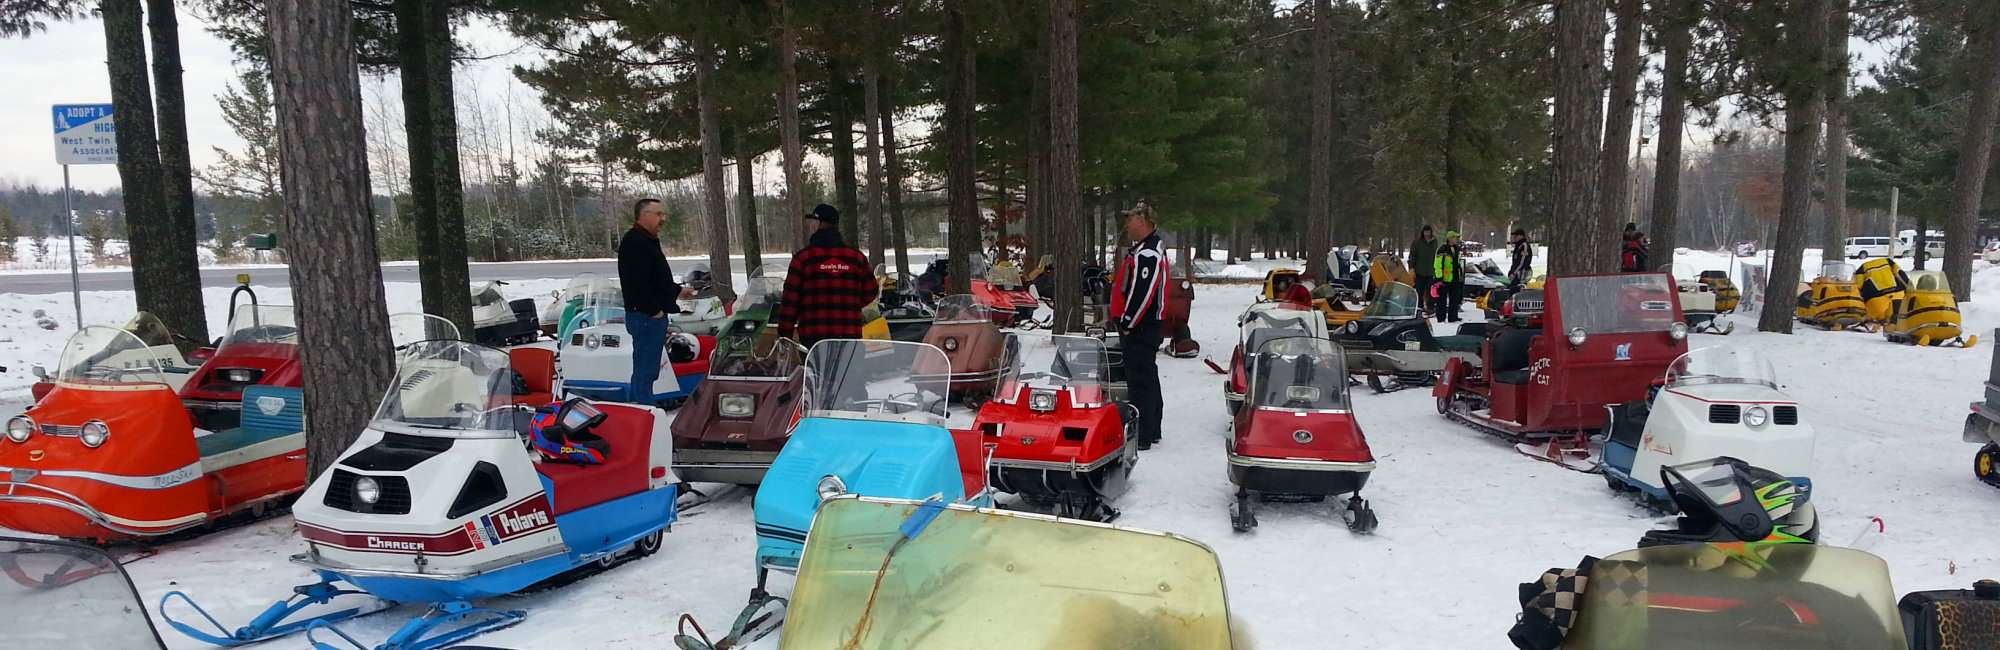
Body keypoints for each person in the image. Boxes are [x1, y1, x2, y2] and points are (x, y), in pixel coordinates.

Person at [617, 198, 696, 405]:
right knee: (645, 370)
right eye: (658, 214)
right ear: (643, 215)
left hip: (650, 315)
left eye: (663, 214)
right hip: (645, 316)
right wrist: (653, 310)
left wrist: (678, 291)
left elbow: (655, 278)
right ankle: (644, 415)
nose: (663, 218)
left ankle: (645, 410)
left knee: (649, 370)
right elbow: (637, 283)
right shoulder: (635, 242)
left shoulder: (647, 240)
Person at [775, 204, 877, 351]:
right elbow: (870, 292)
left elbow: (790, 302)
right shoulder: (856, 258)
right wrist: (849, 305)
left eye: (812, 222)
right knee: (846, 374)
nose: (810, 226)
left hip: (813, 337)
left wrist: (784, 335)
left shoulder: (803, 259)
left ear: (819, 224)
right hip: (849, 335)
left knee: (816, 374)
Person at [1110, 206, 1168, 450]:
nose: (1127, 225)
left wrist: (1128, 322)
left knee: (1140, 381)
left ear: (1143, 220)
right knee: (1146, 376)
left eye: (1131, 219)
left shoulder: (1148, 254)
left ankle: (1143, 434)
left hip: (1141, 327)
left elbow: (1143, 292)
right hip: (1141, 326)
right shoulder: (1144, 250)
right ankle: (1151, 428)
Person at [1433, 231, 1465, 323]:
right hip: (1444, 278)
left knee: (1454, 298)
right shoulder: (1442, 249)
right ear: (1450, 238)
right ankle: (1441, 317)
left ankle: (1453, 316)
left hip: (1454, 277)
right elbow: (1437, 264)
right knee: (1442, 300)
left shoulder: (1456, 249)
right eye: (1455, 238)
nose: (1457, 240)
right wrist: (1439, 277)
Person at [1409, 225, 1439, 312]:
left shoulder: (1435, 241)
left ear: (1431, 232)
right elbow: (1412, 255)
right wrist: (1411, 267)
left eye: (1428, 231)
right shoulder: (1417, 242)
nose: (1427, 234)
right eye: (1425, 232)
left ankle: (1430, 307)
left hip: (1431, 271)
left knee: (1431, 291)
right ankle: (1419, 307)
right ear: (1423, 232)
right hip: (1419, 271)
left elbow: (1436, 255)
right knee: (1419, 290)